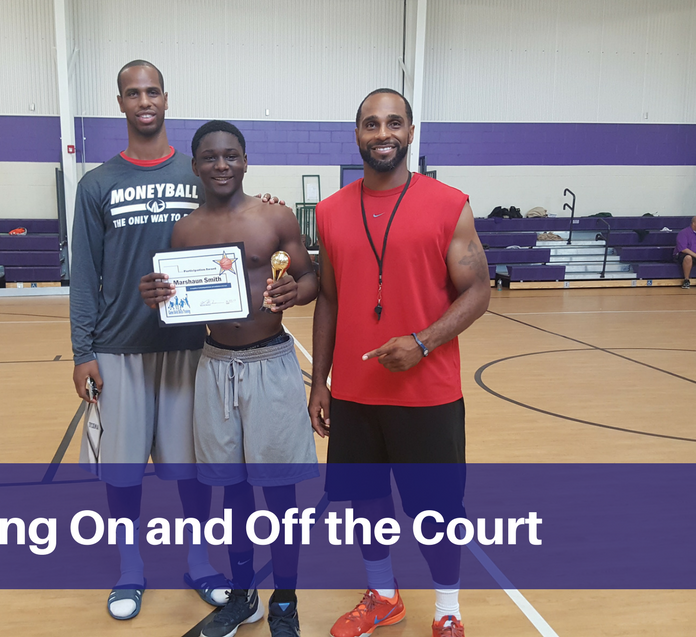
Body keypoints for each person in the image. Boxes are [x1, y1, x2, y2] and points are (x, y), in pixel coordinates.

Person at [71, 60, 281, 621]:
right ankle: (130, 569)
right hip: (118, 347)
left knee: (193, 469)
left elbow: (238, 223)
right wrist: (82, 352)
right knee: (122, 474)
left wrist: (262, 207)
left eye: (152, 91)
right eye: (132, 93)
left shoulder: (199, 177)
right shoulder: (96, 184)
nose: (144, 101)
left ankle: (198, 562)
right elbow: (85, 275)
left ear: (166, 98)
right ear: (120, 102)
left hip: (191, 348)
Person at [309, 88, 491, 637]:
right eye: (371, 124)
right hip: (354, 393)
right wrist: (320, 383)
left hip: (427, 392)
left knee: (437, 511)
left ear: (410, 132)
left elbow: (478, 291)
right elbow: (330, 299)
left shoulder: (449, 204)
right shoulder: (329, 211)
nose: (382, 133)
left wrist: (423, 341)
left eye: (394, 123)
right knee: (366, 504)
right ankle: (383, 597)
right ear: (357, 134)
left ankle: (447, 609)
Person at [144, 120, 319, 637]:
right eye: (210, 157)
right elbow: (180, 300)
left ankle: (285, 601)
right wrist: (159, 298)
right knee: (233, 492)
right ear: (195, 166)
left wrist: (296, 293)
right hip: (215, 365)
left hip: (271, 363)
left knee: (280, 495)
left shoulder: (275, 215)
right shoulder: (184, 231)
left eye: (231, 156)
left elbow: (310, 277)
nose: (221, 165)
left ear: (245, 161)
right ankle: (243, 596)